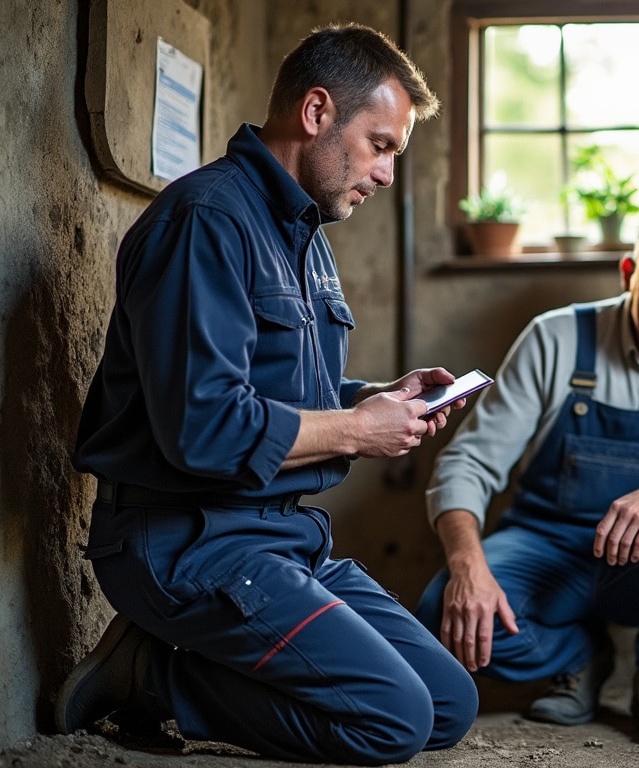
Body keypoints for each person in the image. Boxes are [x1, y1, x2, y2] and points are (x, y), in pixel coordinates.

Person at [59, 23, 478, 765]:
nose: (386, 173)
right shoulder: (208, 221)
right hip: (186, 541)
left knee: (448, 702)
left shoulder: (304, 234)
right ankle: (153, 676)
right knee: (393, 722)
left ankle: (179, 666)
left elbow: (283, 391)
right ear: (316, 113)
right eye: (380, 145)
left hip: (275, 538)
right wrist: (356, 431)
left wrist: (375, 399)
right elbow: (207, 428)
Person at [415, 192, 639, 743]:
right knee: (445, 611)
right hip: (547, 550)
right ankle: (580, 655)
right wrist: (468, 566)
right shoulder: (555, 337)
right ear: (629, 270)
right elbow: (469, 461)